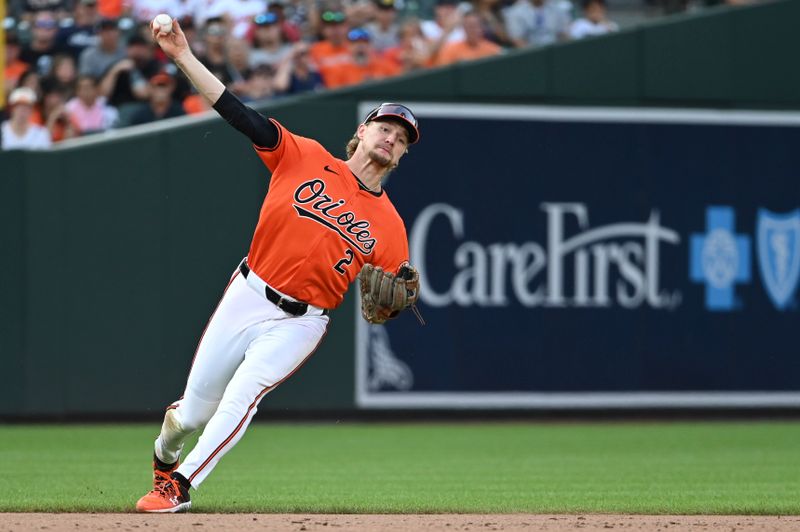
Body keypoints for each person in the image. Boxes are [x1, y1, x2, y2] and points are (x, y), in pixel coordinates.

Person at [135, 17, 420, 513]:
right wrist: (182, 55)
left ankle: (178, 485)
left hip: (302, 321)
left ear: (401, 156)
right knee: (191, 413)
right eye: (385, 127)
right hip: (246, 293)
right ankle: (166, 452)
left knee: (243, 396)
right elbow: (236, 112)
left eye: (401, 137)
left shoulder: (391, 227)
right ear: (362, 130)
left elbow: (391, 296)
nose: (392, 138)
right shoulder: (303, 156)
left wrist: (393, 305)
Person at [434, 10, 502, 66]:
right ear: (464, 28)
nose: (473, 30)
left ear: (482, 27)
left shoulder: (492, 49)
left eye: (476, 26)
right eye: (469, 26)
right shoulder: (450, 49)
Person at [502, 0, 572, 48]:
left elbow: (564, 35)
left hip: (556, 51)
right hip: (531, 56)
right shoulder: (515, 12)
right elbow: (517, 40)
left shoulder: (557, 8)